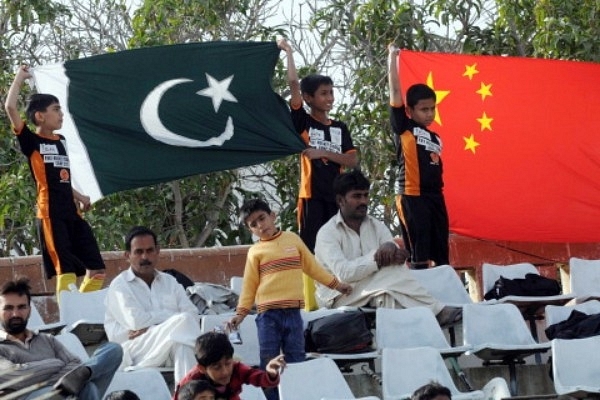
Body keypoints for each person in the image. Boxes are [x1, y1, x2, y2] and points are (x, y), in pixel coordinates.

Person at [229, 199, 351, 399]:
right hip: (267, 316)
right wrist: (240, 314)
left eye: (262, 218)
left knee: (295, 359)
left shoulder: (292, 239)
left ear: (272, 216)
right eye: (253, 224)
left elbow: (313, 267)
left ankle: (297, 396)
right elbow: (249, 286)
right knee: (269, 361)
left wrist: (337, 285)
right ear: (250, 230)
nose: (260, 225)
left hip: (293, 313)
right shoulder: (255, 252)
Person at [4, 65, 106, 295]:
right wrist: (20, 76)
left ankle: (82, 309)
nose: (61, 114)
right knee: (65, 271)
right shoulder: (31, 141)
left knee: (97, 269)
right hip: (50, 213)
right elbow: (10, 107)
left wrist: (80, 196)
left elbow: (61, 178)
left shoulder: (61, 141)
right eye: (56, 109)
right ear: (40, 115)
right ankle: (71, 319)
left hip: (72, 212)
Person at [314, 169, 461, 326]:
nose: (363, 201)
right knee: (389, 274)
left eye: (365, 195)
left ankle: (398, 344)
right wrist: (378, 258)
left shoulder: (376, 226)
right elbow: (344, 274)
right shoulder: (327, 233)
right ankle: (437, 311)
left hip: (374, 289)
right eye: (357, 196)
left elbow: (390, 251)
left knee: (387, 295)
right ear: (340, 200)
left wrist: (396, 255)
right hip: (339, 295)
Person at [278, 38, 358, 311]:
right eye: (324, 93)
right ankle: (311, 306)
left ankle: (340, 302)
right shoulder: (304, 121)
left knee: (339, 249)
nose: (330, 98)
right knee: (311, 252)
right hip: (311, 197)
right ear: (311, 98)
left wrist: (323, 154)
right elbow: (293, 86)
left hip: (338, 200)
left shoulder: (340, 127)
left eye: (331, 93)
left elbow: (352, 159)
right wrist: (288, 53)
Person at [104, 225, 201, 382]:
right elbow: (137, 322)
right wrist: (174, 320)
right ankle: (213, 359)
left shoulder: (169, 281)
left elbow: (193, 314)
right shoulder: (119, 286)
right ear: (127, 255)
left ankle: (186, 395)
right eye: (139, 252)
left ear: (157, 251)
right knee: (183, 322)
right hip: (135, 350)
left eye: (149, 251)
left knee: (183, 345)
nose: (145, 257)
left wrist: (154, 326)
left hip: (169, 344)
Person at [0, 278, 122, 399]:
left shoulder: (47, 340)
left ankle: (86, 371)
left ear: (29, 310)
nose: (15, 314)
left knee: (113, 350)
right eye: (8, 308)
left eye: (21, 307)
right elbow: (17, 376)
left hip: (69, 394)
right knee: (74, 387)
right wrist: (57, 364)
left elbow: (75, 365)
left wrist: (77, 374)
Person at [387, 44, 450, 269]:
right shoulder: (404, 128)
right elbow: (394, 92)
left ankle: (445, 298)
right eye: (424, 109)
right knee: (419, 254)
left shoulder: (435, 136)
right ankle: (421, 301)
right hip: (411, 195)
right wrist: (392, 58)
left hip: (435, 196)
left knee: (442, 253)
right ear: (410, 110)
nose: (430, 114)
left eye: (432, 109)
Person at [173, 332, 285, 400]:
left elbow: (258, 377)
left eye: (228, 363)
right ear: (202, 368)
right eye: (217, 367)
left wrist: (270, 373)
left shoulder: (237, 369)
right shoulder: (191, 381)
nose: (225, 372)